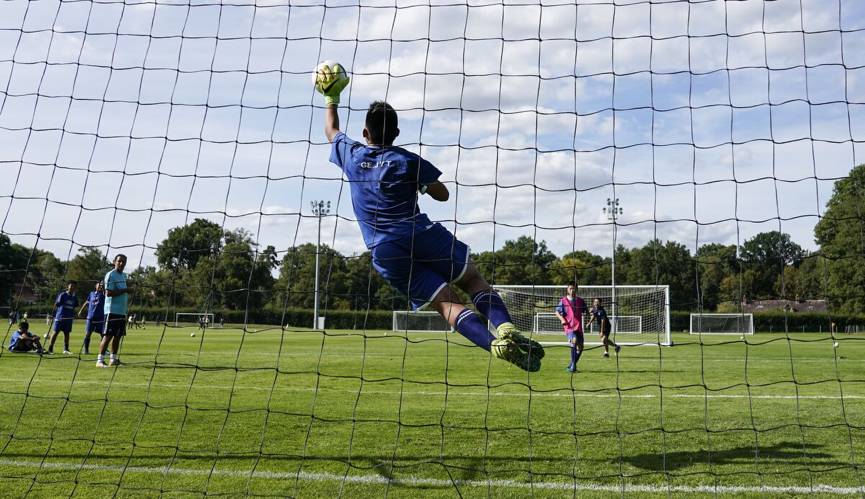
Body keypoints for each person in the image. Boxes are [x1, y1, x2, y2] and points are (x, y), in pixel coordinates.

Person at [316, 63, 543, 371]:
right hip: (419, 233)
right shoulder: (408, 161)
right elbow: (442, 194)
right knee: (472, 279)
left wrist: (331, 96)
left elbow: (331, 129)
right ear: (396, 133)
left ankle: (494, 346)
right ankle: (504, 327)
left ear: (365, 132)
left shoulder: (353, 155)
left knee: (445, 302)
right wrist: (422, 183)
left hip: (384, 250)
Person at [97, 254, 131, 368]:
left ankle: (113, 359)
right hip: (111, 311)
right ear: (114, 261)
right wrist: (125, 290)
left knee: (118, 336)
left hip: (121, 312)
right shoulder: (111, 275)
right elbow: (108, 293)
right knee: (108, 336)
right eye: (119, 261)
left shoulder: (123, 276)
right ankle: (100, 360)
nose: (121, 264)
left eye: (123, 262)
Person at [554, 283, 587, 373]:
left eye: (574, 288)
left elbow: (585, 310)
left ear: (577, 289)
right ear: (567, 290)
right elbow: (556, 312)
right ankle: (573, 367)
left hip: (579, 327)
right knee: (574, 341)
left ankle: (572, 365)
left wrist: (590, 311)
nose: (572, 290)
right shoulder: (563, 301)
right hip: (569, 327)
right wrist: (562, 319)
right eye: (571, 288)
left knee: (581, 347)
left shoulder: (580, 300)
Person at [47, 281, 78, 355]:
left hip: (69, 318)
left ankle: (66, 349)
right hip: (60, 317)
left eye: (74, 286)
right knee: (55, 332)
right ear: (68, 286)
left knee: (67, 333)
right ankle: (50, 349)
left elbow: (75, 305)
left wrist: (74, 314)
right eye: (71, 286)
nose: (72, 287)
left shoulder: (74, 297)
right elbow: (56, 304)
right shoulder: (63, 295)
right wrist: (53, 314)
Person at [77, 281, 105, 355]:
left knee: (103, 334)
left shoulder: (103, 294)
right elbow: (87, 302)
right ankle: (86, 350)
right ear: (95, 286)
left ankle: (104, 349)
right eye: (99, 285)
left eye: (101, 286)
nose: (100, 287)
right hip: (90, 317)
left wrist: (104, 289)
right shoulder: (91, 294)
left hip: (100, 318)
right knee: (88, 334)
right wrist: (80, 310)